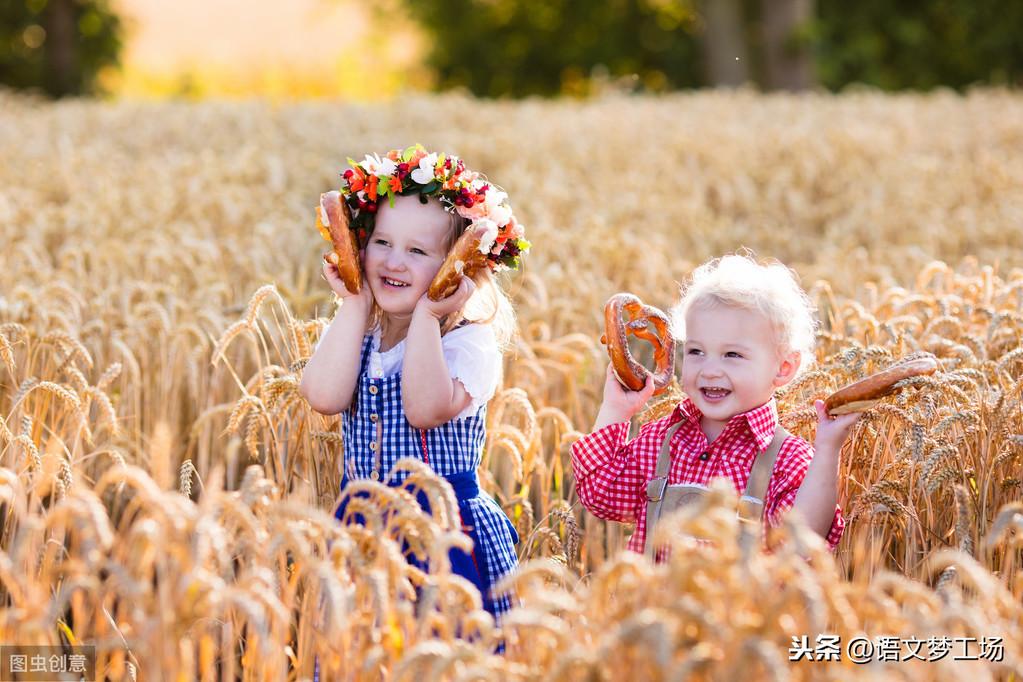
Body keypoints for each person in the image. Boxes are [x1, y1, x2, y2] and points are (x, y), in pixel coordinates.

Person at [300, 145, 530, 619]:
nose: (393, 262)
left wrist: (428, 315)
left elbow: (424, 409)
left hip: (444, 535)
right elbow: (322, 397)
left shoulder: (467, 342)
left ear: (460, 265)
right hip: (362, 530)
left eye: (418, 251)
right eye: (381, 242)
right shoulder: (361, 332)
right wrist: (355, 304)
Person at [571, 253, 859, 556]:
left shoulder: (787, 460)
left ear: (783, 367)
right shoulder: (662, 441)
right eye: (696, 351)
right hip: (651, 603)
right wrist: (616, 410)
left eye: (732, 355)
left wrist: (828, 450)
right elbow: (599, 493)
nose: (709, 369)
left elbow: (802, 544)